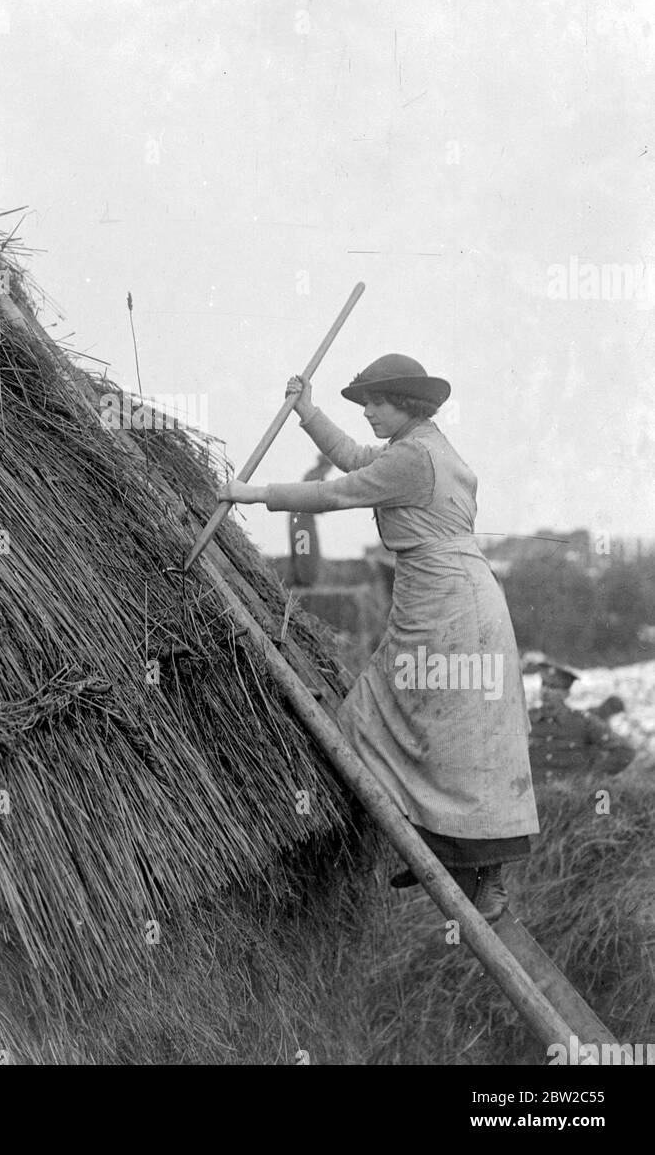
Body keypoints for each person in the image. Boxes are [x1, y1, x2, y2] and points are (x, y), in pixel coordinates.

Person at [218, 353, 539, 921]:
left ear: (405, 404)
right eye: (364, 404)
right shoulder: (417, 446)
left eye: (376, 403)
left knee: (445, 727)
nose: (367, 413)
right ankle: (437, 851)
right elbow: (353, 459)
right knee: (404, 718)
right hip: (442, 593)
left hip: (450, 604)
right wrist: (309, 413)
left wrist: (253, 494)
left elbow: (341, 492)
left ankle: (483, 883)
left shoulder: (416, 457)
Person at [527, 661, 634, 783]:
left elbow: (624, 751)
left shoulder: (583, 722)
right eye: (543, 685)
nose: (545, 691)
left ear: (565, 694)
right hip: (530, 797)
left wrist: (593, 776)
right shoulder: (525, 719)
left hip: (569, 798)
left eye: (553, 687)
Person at [288, 453, 333, 586]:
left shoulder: (314, 475)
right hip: (302, 517)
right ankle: (304, 581)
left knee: (306, 548)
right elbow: (314, 500)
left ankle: (303, 579)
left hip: (303, 517)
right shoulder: (315, 477)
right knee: (305, 549)